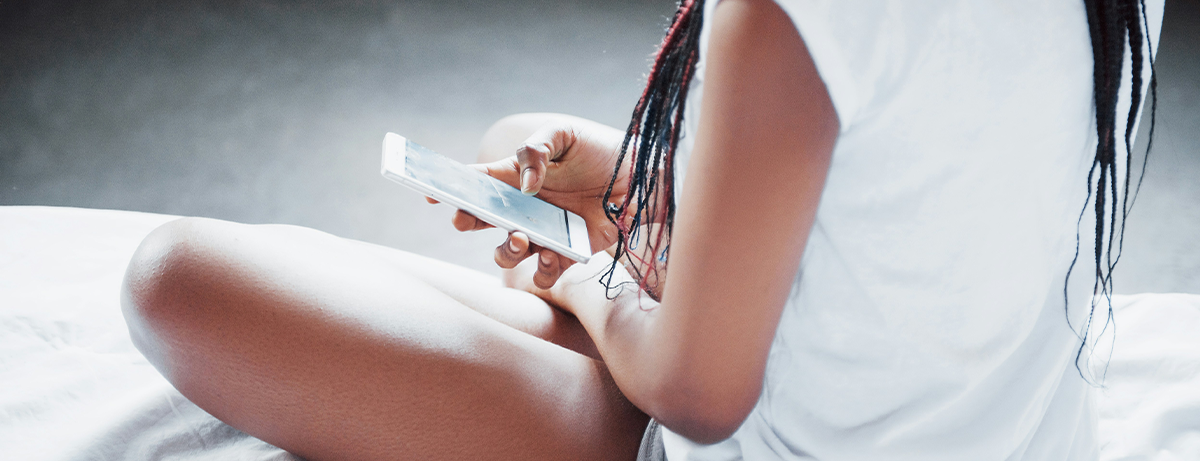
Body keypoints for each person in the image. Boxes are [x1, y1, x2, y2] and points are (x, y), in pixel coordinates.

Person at [120, 0, 1162, 459]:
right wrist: (625, 186)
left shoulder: (802, 10)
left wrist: (597, 280)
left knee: (176, 279)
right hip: (987, 427)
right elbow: (924, 189)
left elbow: (702, 395)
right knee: (528, 144)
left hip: (756, 430)